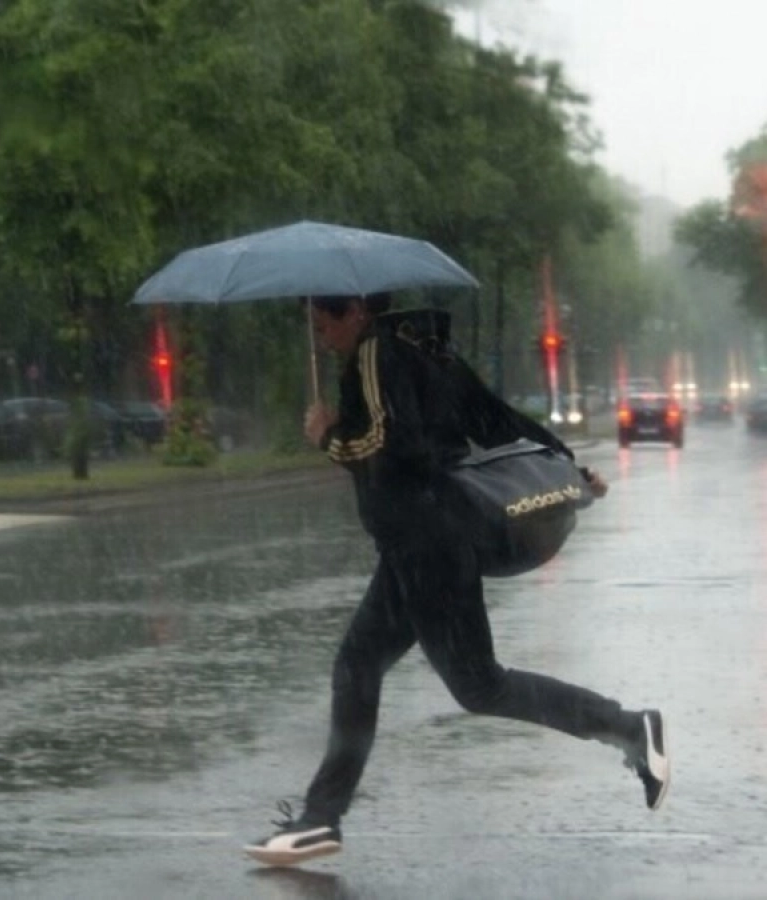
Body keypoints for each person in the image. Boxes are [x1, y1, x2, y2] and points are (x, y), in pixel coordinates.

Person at [244, 293, 669, 867]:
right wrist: (565, 462)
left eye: (326, 325)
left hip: (426, 540)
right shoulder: (426, 348)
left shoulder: (374, 354)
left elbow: (390, 447)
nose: (324, 339)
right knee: (358, 665)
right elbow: (492, 417)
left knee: (479, 686)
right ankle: (321, 819)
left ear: (357, 313)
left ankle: (630, 728)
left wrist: (328, 436)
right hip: (420, 541)